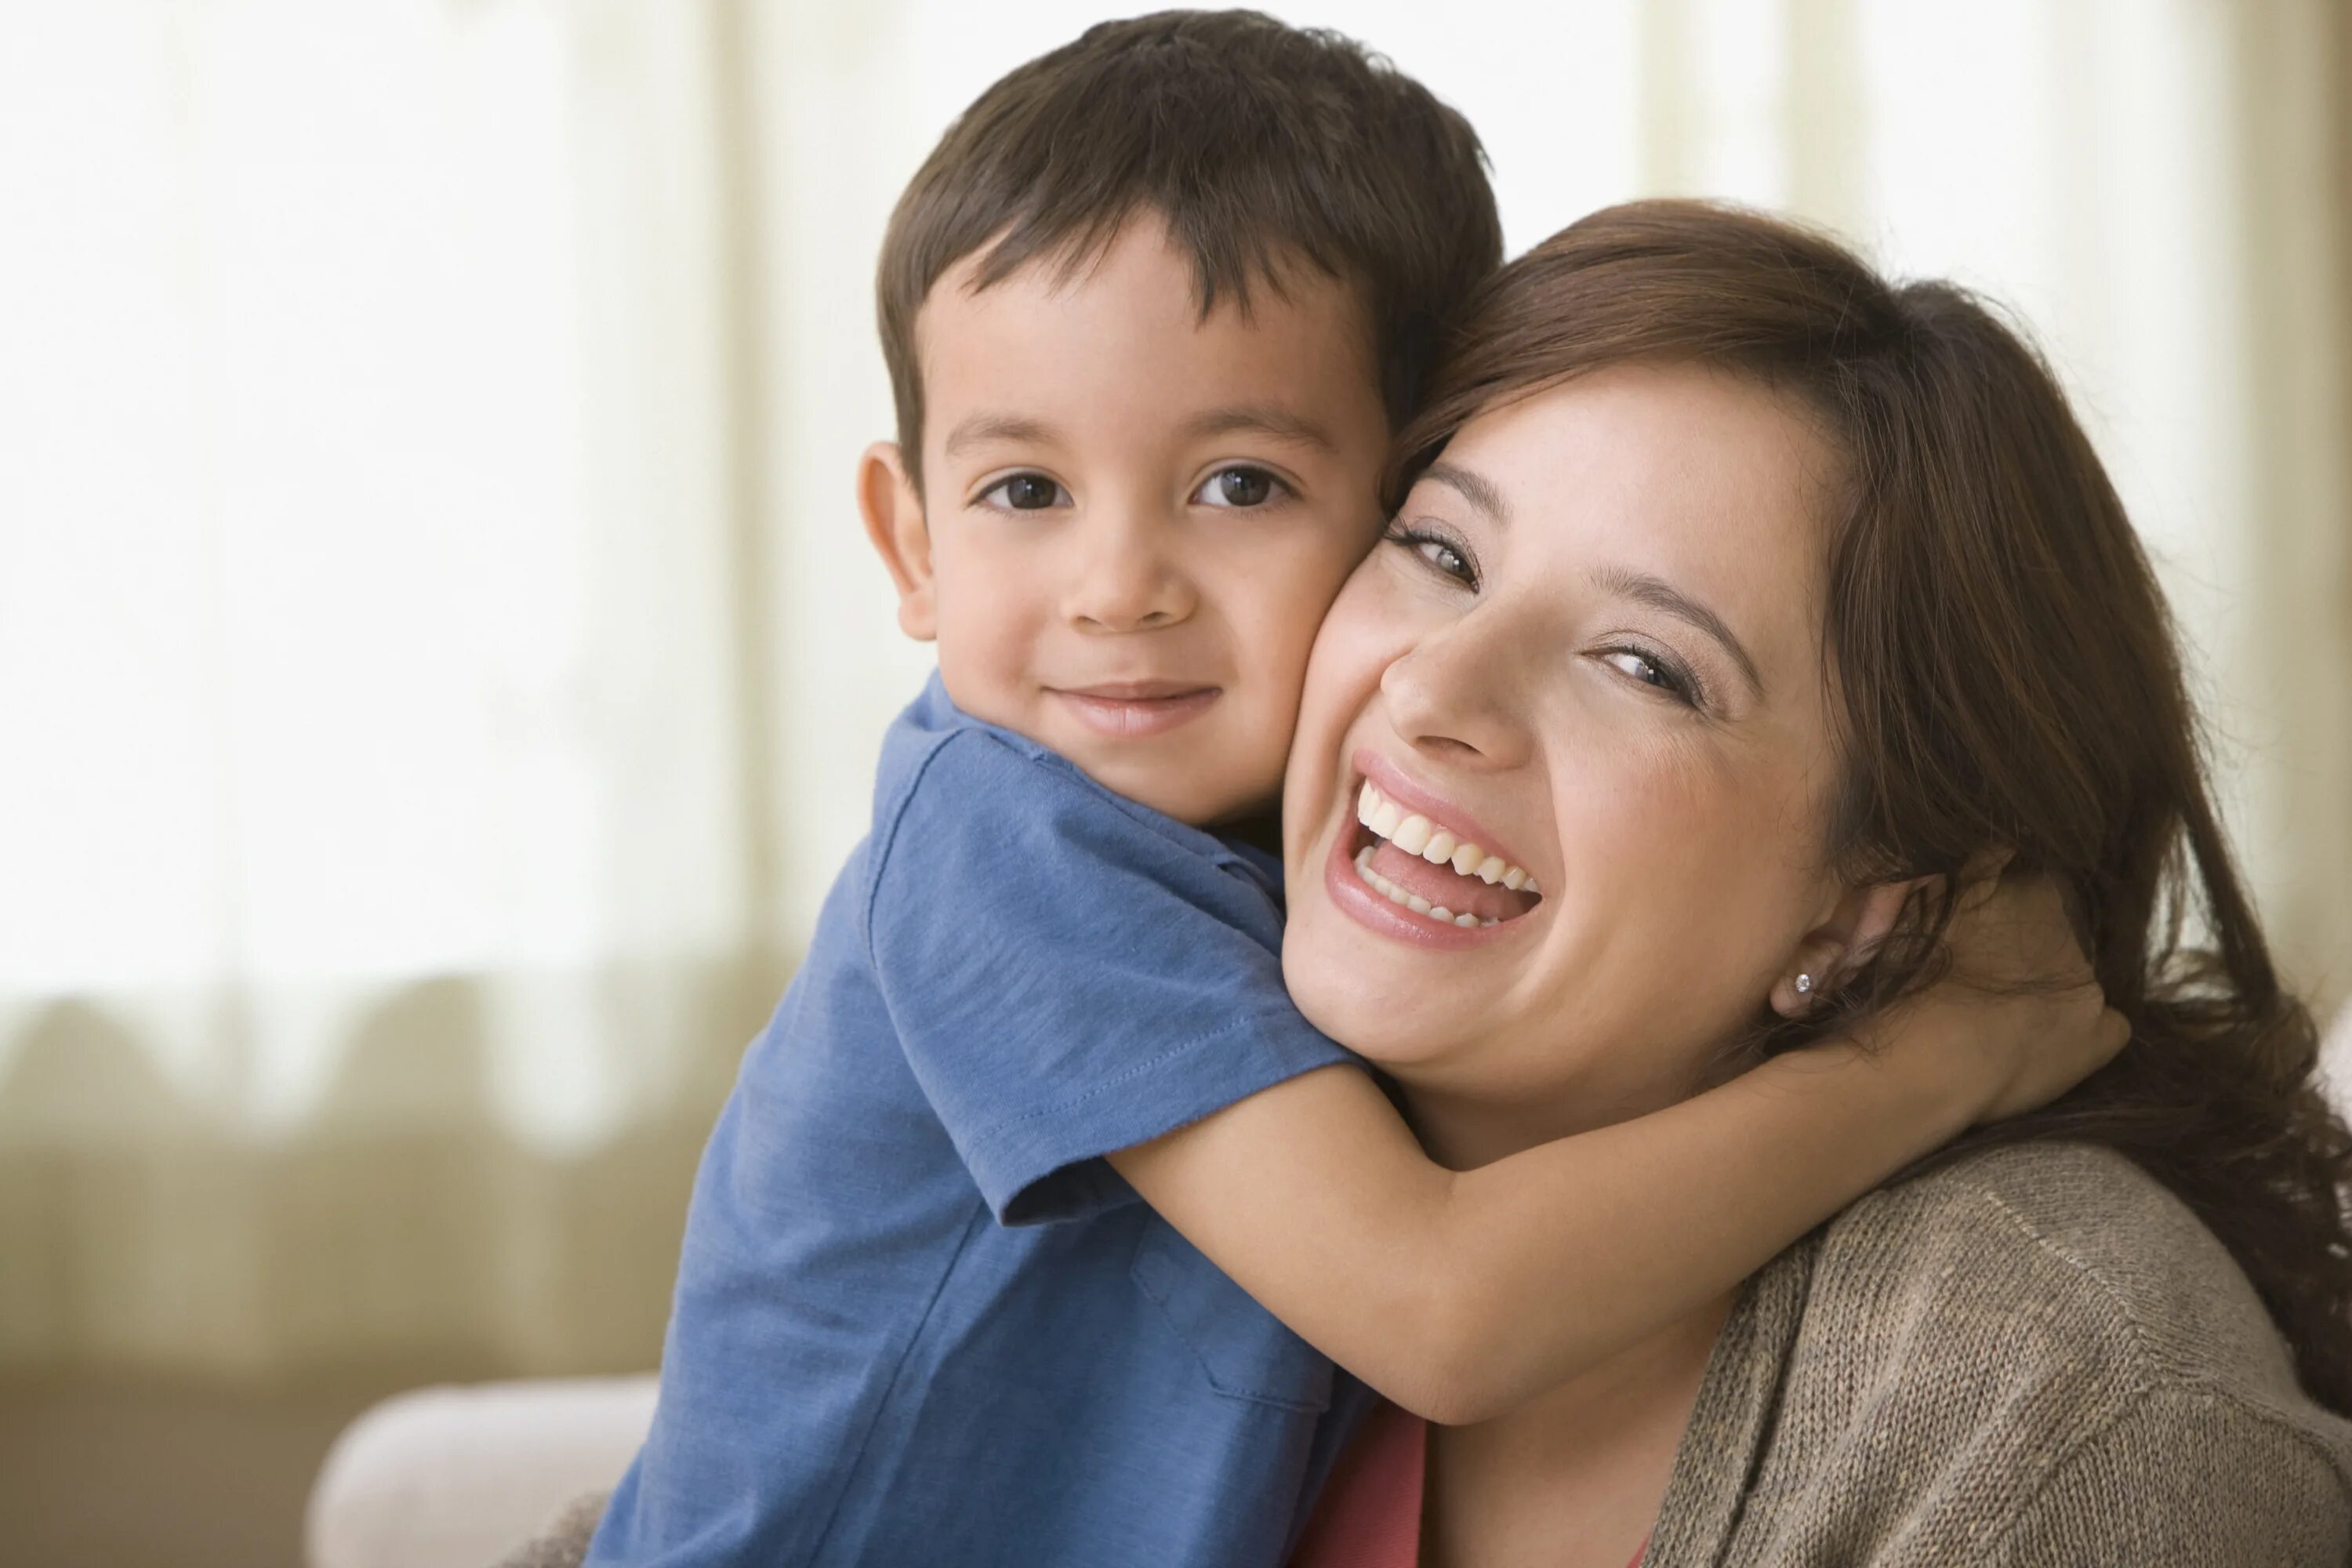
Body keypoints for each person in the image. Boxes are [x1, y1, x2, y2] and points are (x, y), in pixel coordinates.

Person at [581, 16, 2119, 1568]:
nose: (1120, 589)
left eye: (1240, 484)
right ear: (912, 544)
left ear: (1393, 484)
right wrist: (1929, 1063)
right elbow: (1437, 1307)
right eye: (1024, 491)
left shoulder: (1313, 874)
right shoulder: (1006, 843)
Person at [1218, 200, 2352, 1565]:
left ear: (1877, 901)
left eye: (1646, 665)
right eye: (1443, 553)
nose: (1431, 690)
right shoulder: (1153, 1038)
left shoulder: (2063, 1416)